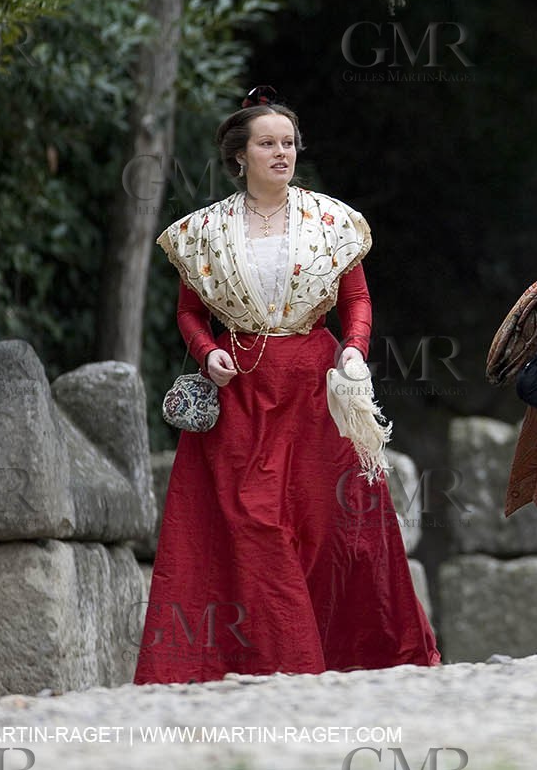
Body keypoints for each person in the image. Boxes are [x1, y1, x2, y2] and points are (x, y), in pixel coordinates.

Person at [136, 86, 438, 683]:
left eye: (289, 143)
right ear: (240, 155)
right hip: (243, 390)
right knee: (255, 523)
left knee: (326, 530)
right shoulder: (206, 232)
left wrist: (352, 353)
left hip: (318, 391)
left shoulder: (332, 222)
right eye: (268, 144)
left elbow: (357, 302)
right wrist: (208, 351)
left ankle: (348, 658)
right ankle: (282, 665)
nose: (282, 153)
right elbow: (189, 313)